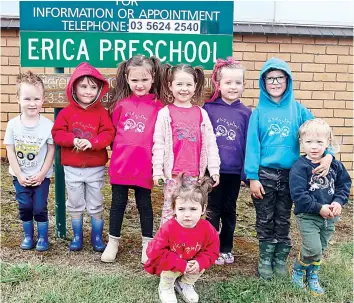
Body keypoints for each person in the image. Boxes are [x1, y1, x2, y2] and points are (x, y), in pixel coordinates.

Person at [244, 57, 334, 280]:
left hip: (291, 176)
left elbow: (318, 131)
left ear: (288, 80)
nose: (275, 82)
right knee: (265, 218)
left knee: (283, 217)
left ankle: (279, 259)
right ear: (263, 82)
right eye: (270, 78)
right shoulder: (258, 113)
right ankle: (265, 258)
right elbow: (252, 146)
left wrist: (329, 154)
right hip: (264, 175)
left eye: (280, 78)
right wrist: (252, 177)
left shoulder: (298, 110)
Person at [100, 55, 163, 264]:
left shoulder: (158, 107)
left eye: (144, 80)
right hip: (121, 165)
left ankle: (147, 243)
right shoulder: (121, 105)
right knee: (117, 204)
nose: (140, 84)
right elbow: (114, 132)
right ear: (127, 79)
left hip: (144, 167)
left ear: (153, 78)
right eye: (135, 80)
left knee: (144, 205)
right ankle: (113, 242)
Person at [52, 62, 115, 252]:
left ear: (99, 90)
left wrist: (93, 143)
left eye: (93, 87)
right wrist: (73, 140)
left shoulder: (102, 113)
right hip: (72, 168)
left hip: (95, 167)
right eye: (83, 86)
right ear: (74, 88)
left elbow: (108, 134)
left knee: (95, 203)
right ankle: (78, 236)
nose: (88, 91)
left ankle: (96, 237)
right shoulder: (66, 113)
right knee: (75, 203)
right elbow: (57, 134)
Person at [152, 63, 221, 227]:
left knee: (192, 212)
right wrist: (157, 171)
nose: (184, 89)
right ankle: (166, 247)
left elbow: (211, 144)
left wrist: (214, 170)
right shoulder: (165, 113)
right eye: (179, 84)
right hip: (173, 176)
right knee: (171, 211)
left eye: (189, 84)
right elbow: (159, 144)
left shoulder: (201, 113)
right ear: (170, 86)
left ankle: (189, 246)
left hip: (195, 176)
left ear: (195, 86)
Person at [289, 118, 351, 296]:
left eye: (319, 142)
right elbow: (298, 195)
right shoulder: (300, 167)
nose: (314, 147)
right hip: (308, 215)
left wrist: (338, 202)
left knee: (321, 249)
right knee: (313, 248)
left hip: (330, 217)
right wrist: (318, 208)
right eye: (308, 142)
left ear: (328, 143)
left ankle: (312, 274)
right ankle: (298, 269)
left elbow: (344, 185)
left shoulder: (335, 165)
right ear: (301, 142)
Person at [203, 57, 252, 265]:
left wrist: (245, 174)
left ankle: (226, 247)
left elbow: (249, 144)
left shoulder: (247, 113)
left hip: (233, 172)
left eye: (237, 83)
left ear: (243, 86)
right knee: (212, 209)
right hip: (212, 171)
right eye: (228, 82)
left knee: (229, 210)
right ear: (218, 84)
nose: (233, 87)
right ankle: (211, 248)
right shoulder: (208, 108)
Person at [145, 174, 219, 303]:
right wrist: (179, 264)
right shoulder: (168, 228)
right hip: (172, 264)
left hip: (191, 263)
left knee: (201, 266)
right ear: (174, 209)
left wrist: (200, 262)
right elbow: (154, 252)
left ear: (203, 209)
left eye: (193, 209)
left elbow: (212, 251)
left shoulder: (208, 229)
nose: (187, 215)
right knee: (170, 271)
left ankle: (185, 283)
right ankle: (166, 286)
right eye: (181, 209)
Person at [4, 71, 55, 251]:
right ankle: (28, 235)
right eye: (27, 99)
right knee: (25, 206)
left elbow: (51, 151)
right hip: (20, 176)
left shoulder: (48, 126)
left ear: (43, 100)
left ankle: (42, 237)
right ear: (18, 99)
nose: (32, 103)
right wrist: (19, 174)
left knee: (40, 207)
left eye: (36, 99)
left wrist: (42, 174)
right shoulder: (12, 125)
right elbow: (9, 150)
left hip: (41, 177)